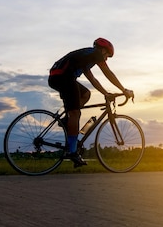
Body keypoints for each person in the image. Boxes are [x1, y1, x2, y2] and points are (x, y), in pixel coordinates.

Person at [48, 37, 133, 167]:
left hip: (58, 76)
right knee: (76, 113)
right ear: (103, 50)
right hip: (64, 77)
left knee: (86, 94)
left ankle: (67, 120)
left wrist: (106, 93)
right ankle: (72, 151)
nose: (106, 59)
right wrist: (124, 89)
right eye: (108, 56)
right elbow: (107, 73)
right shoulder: (95, 54)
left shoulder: (86, 58)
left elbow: (93, 79)